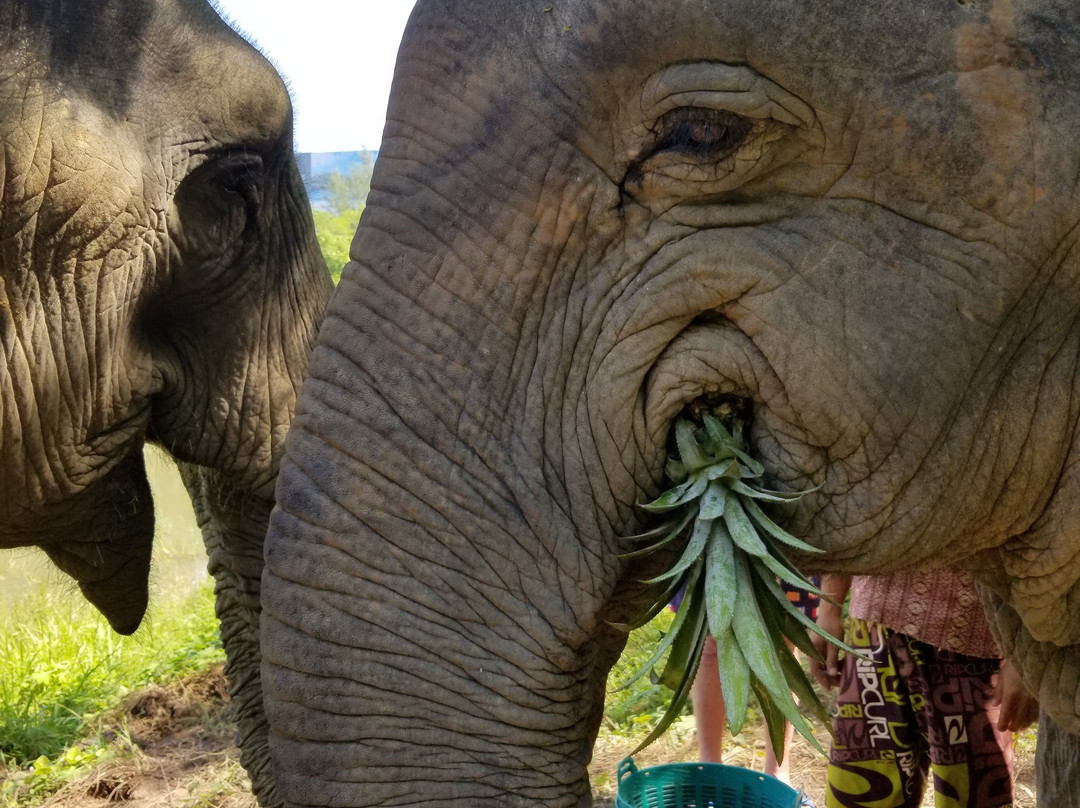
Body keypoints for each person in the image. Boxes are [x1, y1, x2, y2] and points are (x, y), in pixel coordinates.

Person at [810, 570, 1040, 808]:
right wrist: (829, 605)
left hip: (973, 640)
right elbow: (849, 532)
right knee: (859, 799)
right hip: (873, 628)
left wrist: (1025, 652)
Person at [690, 581, 820, 785]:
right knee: (712, 637)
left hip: (785, 553)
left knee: (783, 638)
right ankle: (709, 769)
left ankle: (777, 774)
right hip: (706, 549)